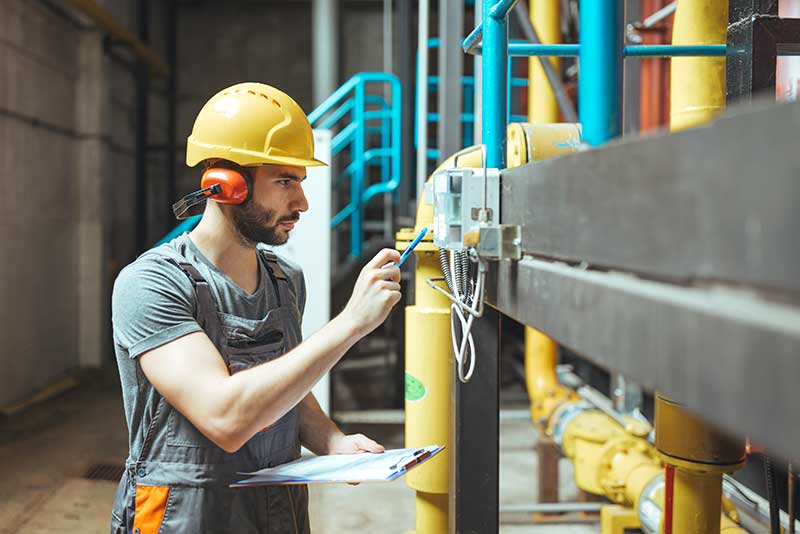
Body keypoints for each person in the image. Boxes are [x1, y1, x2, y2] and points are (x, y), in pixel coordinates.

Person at [109, 82, 402, 533]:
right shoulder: (152, 284)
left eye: (300, 182)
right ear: (225, 185)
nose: (301, 203)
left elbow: (286, 385)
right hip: (185, 517)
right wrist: (350, 324)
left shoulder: (285, 280)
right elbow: (224, 416)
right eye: (285, 181)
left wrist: (332, 441)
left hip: (276, 512)